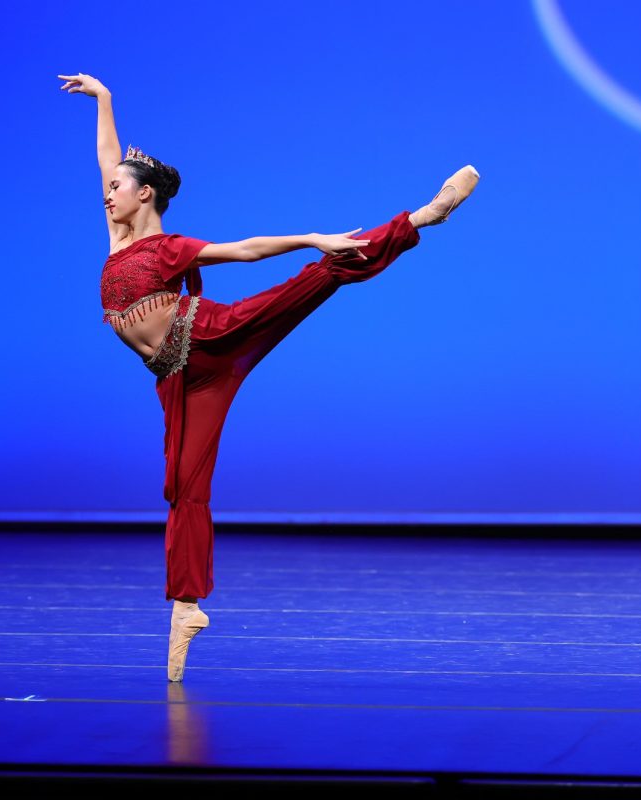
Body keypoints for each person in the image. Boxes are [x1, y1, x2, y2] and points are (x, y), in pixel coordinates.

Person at [58, 73, 479, 681]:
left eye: (119, 187)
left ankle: (423, 217)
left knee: (312, 278)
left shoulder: (169, 247)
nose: (108, 193)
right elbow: (106, 156)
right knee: (182, 484)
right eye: (110, 186)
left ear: (144, 195)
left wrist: (311, 236)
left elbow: (248, 249)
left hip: (209, 333)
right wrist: (103, 99)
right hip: (180, 376)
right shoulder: (118, 237)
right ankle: (186, 608)